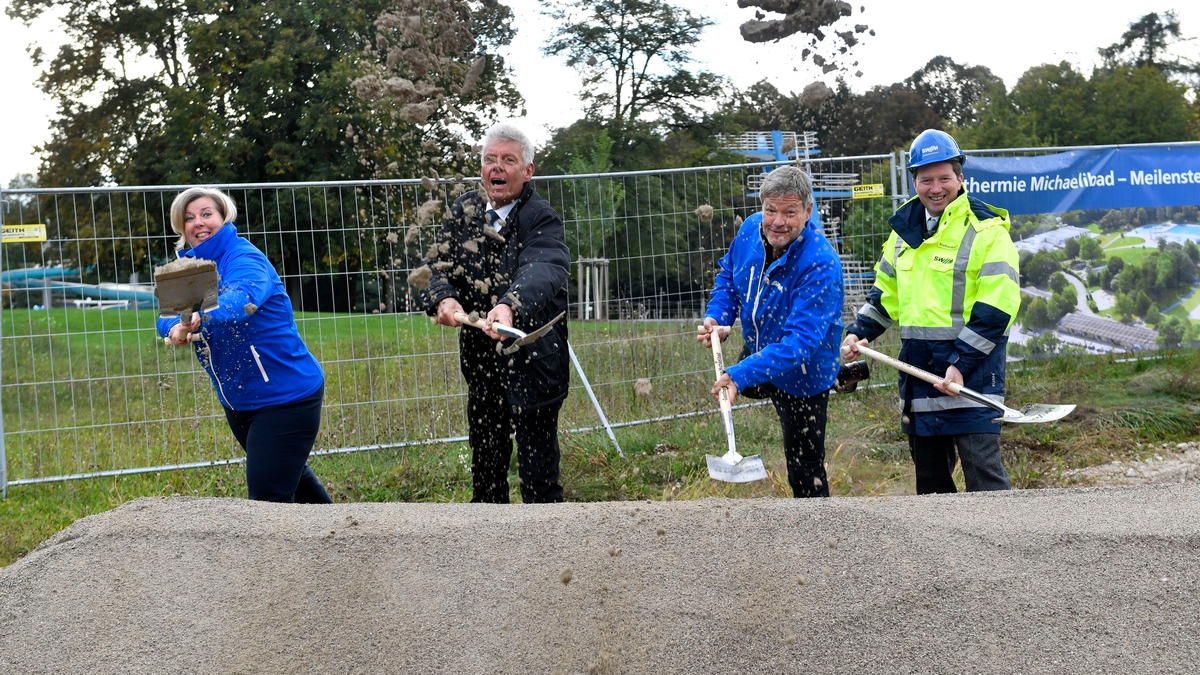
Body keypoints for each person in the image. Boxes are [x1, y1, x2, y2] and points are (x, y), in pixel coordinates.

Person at [841, 129, 1021, 494]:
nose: (935, 188)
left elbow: (996, 308)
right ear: (914, 182)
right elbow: (884, 296)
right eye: (926, 179)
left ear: (960, 178)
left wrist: (962, 364)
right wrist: (860, 332)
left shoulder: (986, 230)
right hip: (919, 373)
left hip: (971, 375)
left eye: (944, 178)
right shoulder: (902, 234)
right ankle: (946, 551)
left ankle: (1005, 547)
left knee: (985, 479)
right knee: (932, 487)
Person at [418, 122, 570, 504]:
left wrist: (509, 305)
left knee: (537, 470)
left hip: (534, 357)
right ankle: (486, 541)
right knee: (486, 459)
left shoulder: (542, 218)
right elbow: (438, 265)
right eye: (490, 159)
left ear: (528, 170)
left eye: (508, 160)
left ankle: (546, 540)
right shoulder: (465, 210)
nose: (496, 168)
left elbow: (544, 267)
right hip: (481, 360)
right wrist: (443, 299)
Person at [157, 187, 332, 504]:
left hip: (285, 396)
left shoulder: (244, 257)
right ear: (180, 227)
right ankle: (346, 539)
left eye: (207, 213)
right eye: (189, 218)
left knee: (268, 499)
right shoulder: (186, 267)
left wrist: (196, 319)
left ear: (223, 216)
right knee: (292, 481)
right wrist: (174, 329)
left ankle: (281, 554)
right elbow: (165, 316)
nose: (199, 223)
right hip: (240, 400)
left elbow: (240, 301)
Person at [697, 166, 844, 498]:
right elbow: (728, 277)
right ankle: (757, 380)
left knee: (804, 465)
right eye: (770, 210)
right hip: (761, 346)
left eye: (790, 212)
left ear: (808, 211)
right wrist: (718, 318)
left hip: (803, 370)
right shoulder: (751, 230)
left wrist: (737, 375)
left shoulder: (820, 263)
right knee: (747, 378)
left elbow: (799, 344)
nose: (778, 221)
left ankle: (817, 531)